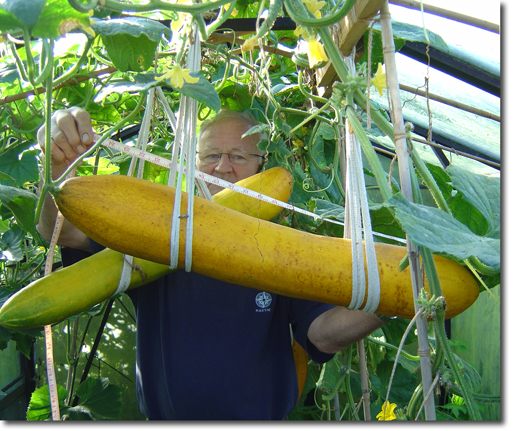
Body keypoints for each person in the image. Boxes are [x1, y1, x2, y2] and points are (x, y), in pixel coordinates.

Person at [37, 107, 387, 420]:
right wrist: (55, 166)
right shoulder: (155, 234)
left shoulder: (286, 249)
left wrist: (394, 295)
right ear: (192, 165)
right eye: (210, 155)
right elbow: (59, 231)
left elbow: (323, 334)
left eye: (237, 155)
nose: (222, 167)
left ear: (261, 165)